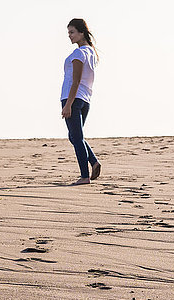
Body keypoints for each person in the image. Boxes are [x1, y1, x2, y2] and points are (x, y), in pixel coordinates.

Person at [61, 18, 101, 185]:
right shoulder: (91, 52)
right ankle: (93, 162)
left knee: (76, 138)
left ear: (81, 32)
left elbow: (76, 81)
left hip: (73, 98)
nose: (69, 36)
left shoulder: (79, 53)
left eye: (72, 32)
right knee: (75, 136)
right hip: (85, 99)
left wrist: (68, 104)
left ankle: (84, 176)